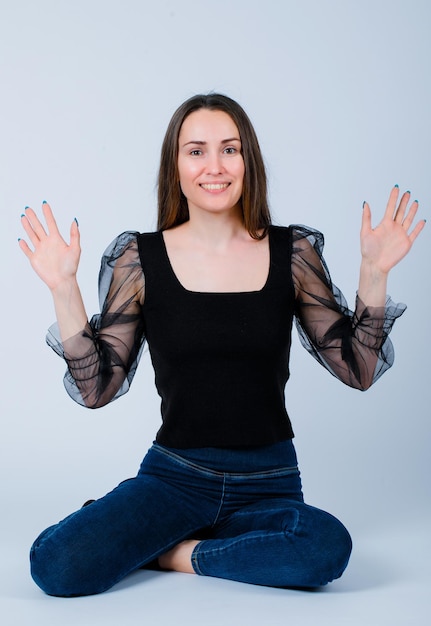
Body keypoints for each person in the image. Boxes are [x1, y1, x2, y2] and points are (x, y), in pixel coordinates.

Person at [19, 93, 425, 598]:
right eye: (196, 151)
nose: (215, 166)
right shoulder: (139, 258)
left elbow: (359, 368)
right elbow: (97, 388)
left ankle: (168, 551)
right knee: (56, 564)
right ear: (176, 165)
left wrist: (375, 272)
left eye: (229, 149)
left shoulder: (293, 253)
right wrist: (63, 287)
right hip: (175, 478)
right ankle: (186, 537)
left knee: (325, 548)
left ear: (248, 160)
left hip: (270, 478)